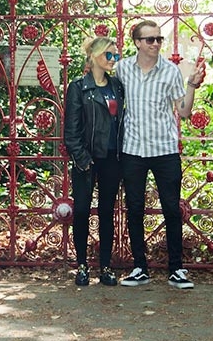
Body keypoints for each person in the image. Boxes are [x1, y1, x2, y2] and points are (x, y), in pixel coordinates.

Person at [115, 20, 205, 289]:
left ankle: (176, 269)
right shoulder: (122, 70)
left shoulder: (170, 72)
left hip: (164, 149)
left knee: (171, 209)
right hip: (132, 149)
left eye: (159, 39)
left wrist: (191, 85)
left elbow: (184, 111)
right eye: (150, 39)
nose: (156, 44)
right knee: (134, 210)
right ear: (137, 43)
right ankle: (139, 267)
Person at [63, 36, 125, 286]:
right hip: (87, 159)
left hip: (112, 156)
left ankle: (106, 266)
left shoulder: (117, 86)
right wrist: (81, 159)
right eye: (108, 55)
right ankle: (81, 265)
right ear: (94, 57)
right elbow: (71, 129)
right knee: (81, 211)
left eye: (116, 56)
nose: (113, 60)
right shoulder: (79, 87)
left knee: (107, 212)